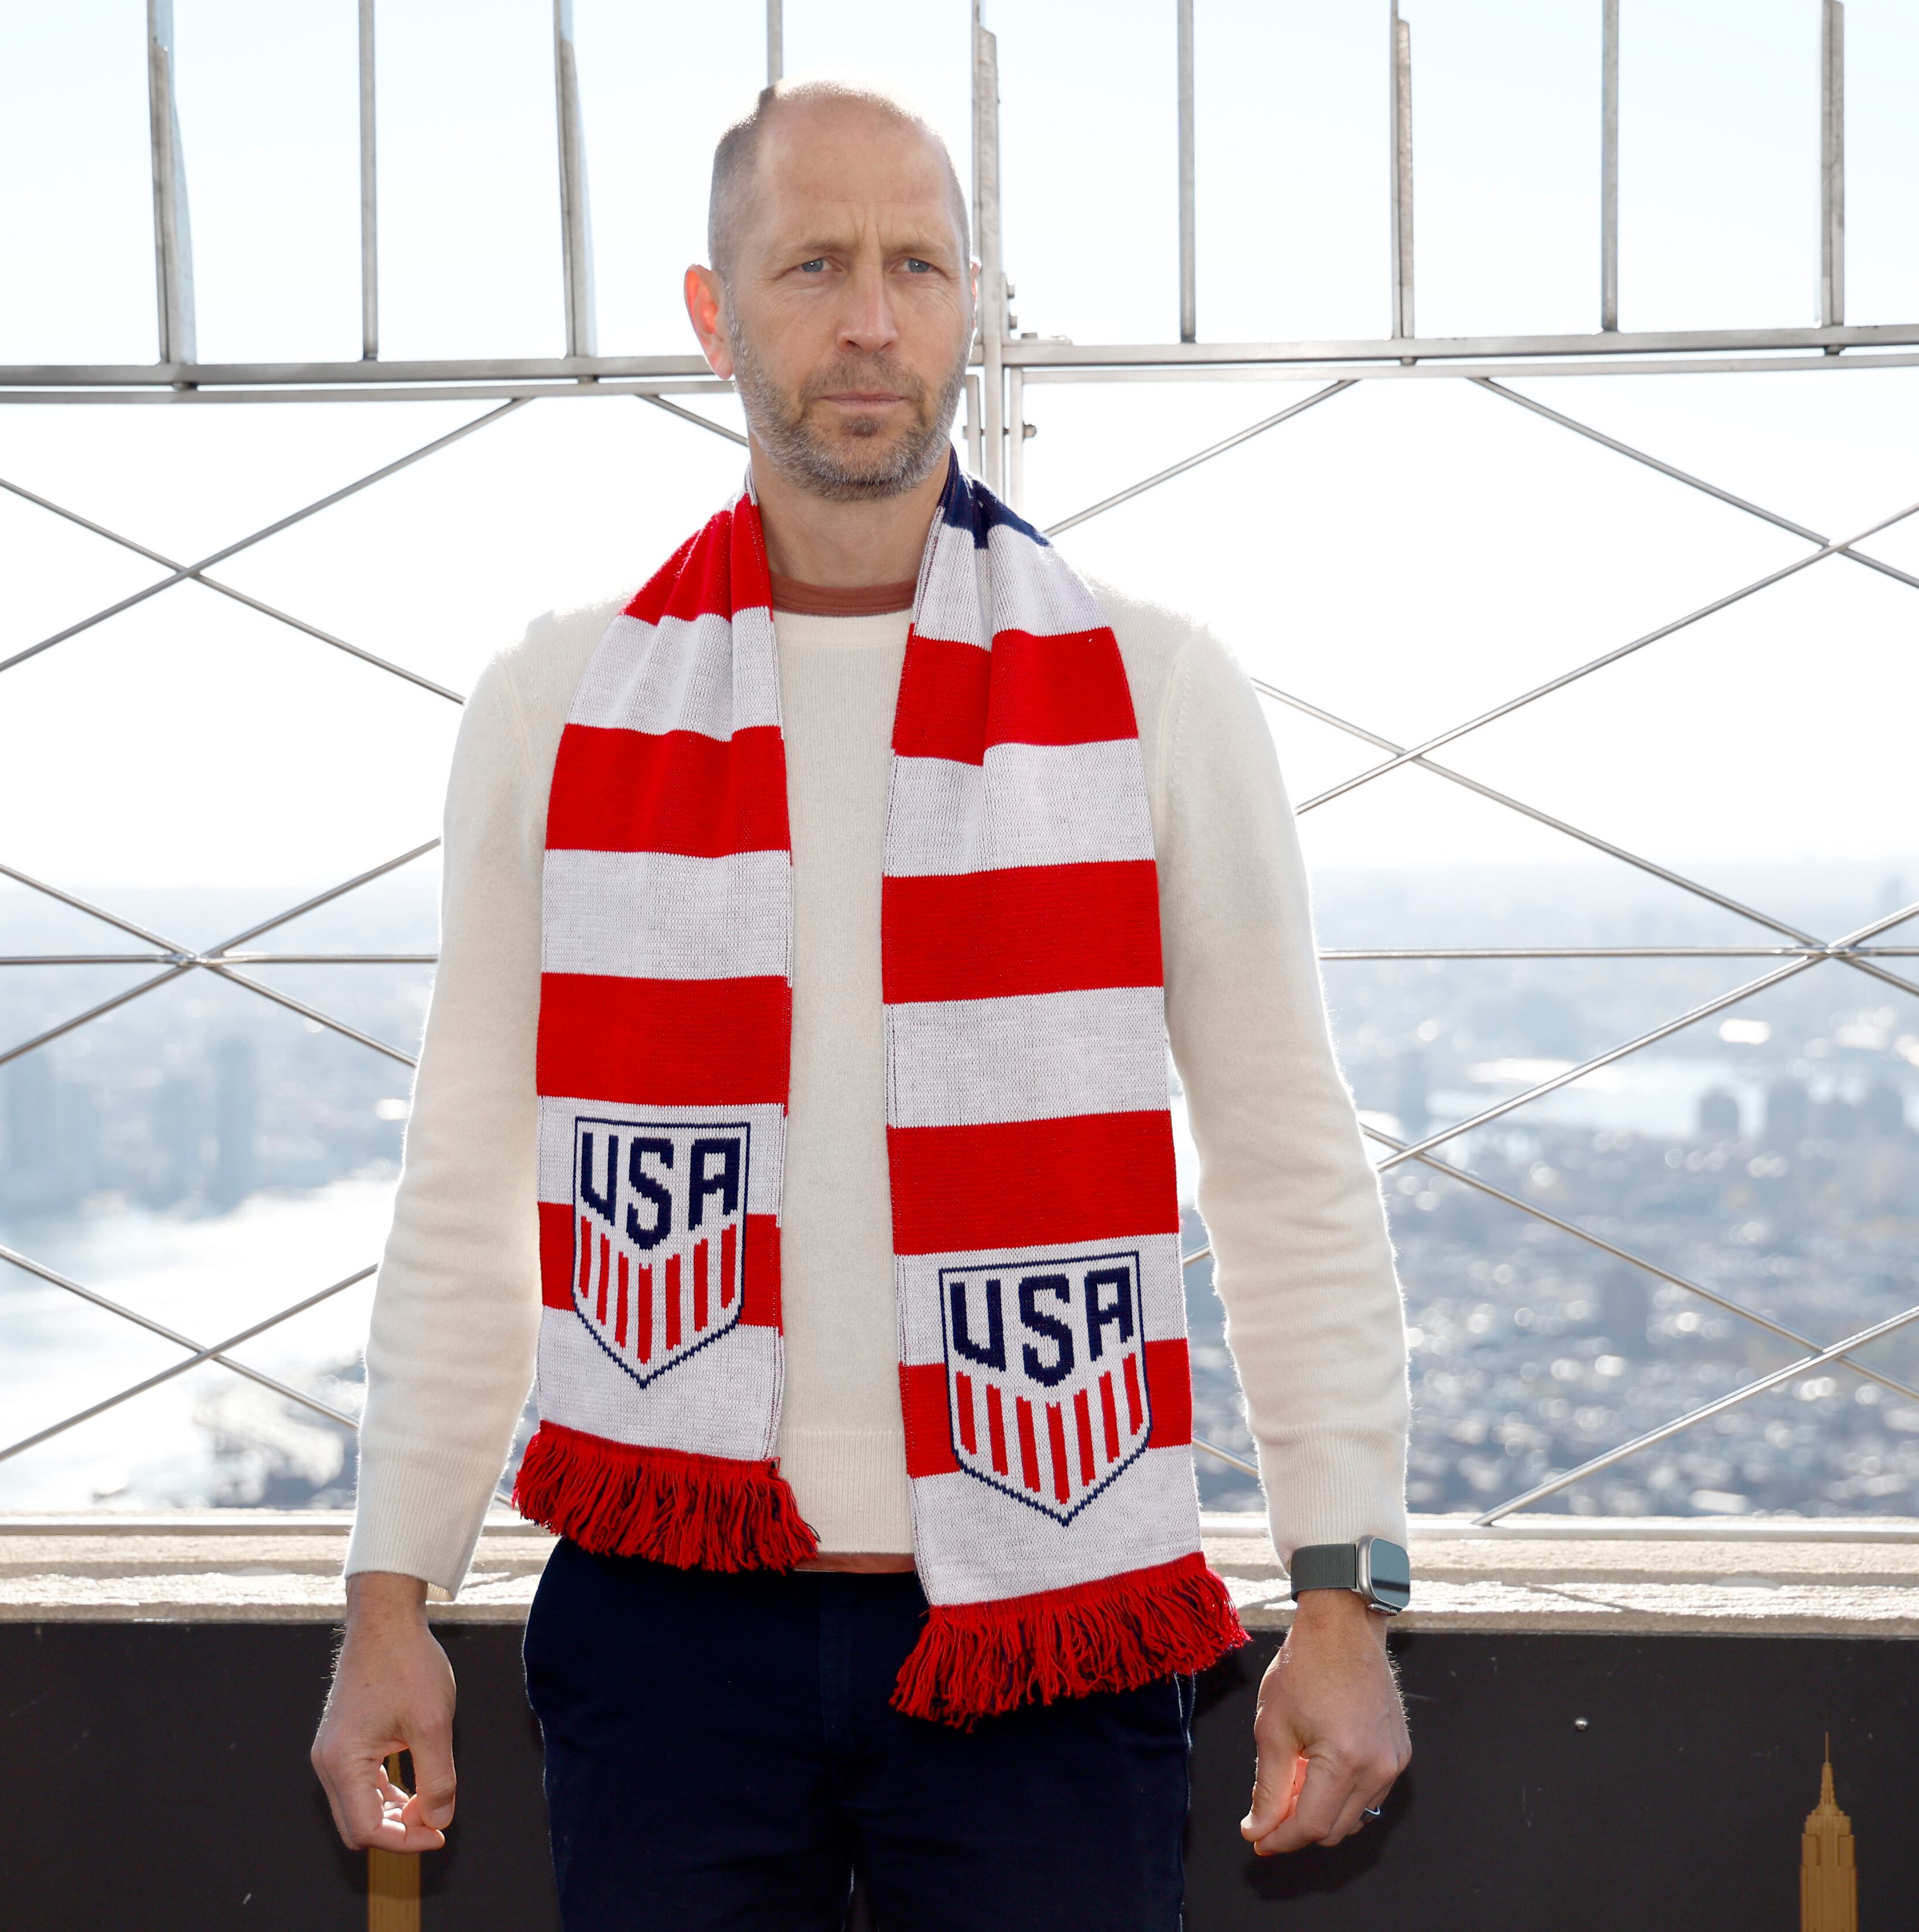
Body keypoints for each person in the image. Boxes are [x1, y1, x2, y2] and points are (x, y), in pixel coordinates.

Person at [312, 76, 1411, 1930]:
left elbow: (1287, 1158)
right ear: (713, 312)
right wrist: (386, 1598)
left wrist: (1340, 1591)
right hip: (669, 1624)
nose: (872, 320)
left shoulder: (1155, 689)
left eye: (917, 264)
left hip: (1053, 1619)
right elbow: (469, 1175)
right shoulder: (559, 703)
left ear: (974, 302)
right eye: (813, 264)